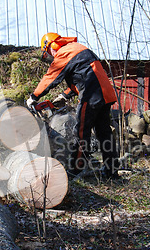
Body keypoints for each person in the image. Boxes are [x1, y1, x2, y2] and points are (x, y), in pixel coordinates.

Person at [27, 32, 120, 179]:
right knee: (104, 133)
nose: (50, 56)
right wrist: (64, 95)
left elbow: (51, 78)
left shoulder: (64, 53)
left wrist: (34, 97)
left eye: (48, 52)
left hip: (91, 96)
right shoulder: (77, 48)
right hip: (105, 94)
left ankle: (76, 169)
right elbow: (85, 77)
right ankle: (111, 171)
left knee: (81, 132)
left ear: (50, 46)